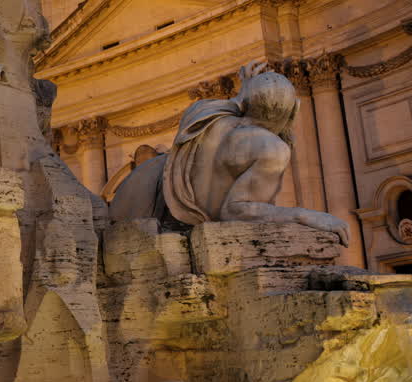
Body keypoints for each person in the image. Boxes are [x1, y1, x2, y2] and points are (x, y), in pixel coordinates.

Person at [110, 62, 349, 245]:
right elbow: (235, 210)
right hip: (173, 226)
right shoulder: (270, 148)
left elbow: (237, 104)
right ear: (294, 111)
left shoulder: (202, 113)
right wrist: (304, 216)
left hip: (138, 201)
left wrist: (246, 88)